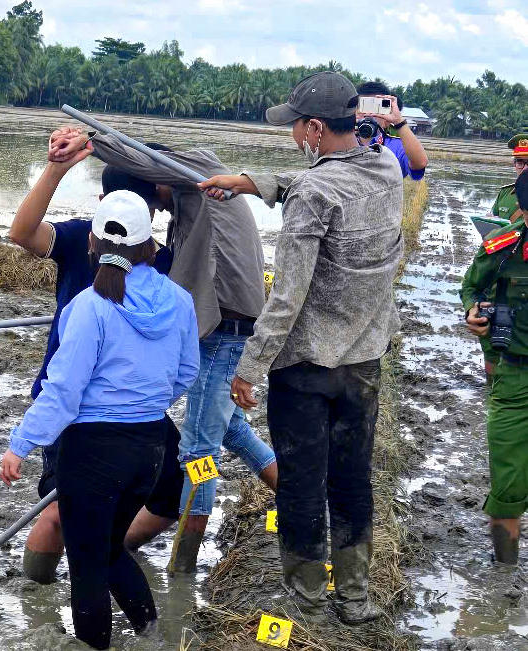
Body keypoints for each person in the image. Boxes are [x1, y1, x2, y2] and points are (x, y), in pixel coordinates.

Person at [200, 71, 403, 624]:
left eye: (295, 127)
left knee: (303, 482)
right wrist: (250, 181)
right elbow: (323, 179)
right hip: (364, 358)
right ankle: (354, 596)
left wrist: (249, 369)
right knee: (353, 477)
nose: (292, 136)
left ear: (315, 128)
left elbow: (287, 297)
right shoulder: (384, 166)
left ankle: (310, 601)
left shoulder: (313, 194)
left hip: (307, 366)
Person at [48, 127, 278, 573]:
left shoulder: (199, 174)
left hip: (226, 328)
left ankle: (184, 565)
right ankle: (296, 498)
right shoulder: (194, 198)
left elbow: (140, 159)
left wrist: (90, 143)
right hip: (225, 324)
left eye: (149, 204)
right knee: (229, 431)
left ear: (157, 183)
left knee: (198, 450)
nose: (152, 213)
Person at [0, 190, 200, 649]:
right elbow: (186, 371)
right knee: (109, 550)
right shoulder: (178, 299)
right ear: (151, 244)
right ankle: (152, 634)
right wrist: (145, 402)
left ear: (91, 241)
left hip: (92, 453)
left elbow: (64, 393)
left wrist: (20, 444)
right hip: (150, 445)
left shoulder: (89, 306)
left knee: (87, 566)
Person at [8, 136, 184, 584]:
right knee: (59, 514)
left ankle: (105, 551)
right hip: (73, 409)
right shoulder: (77, 237)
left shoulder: (161, 262)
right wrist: (55, 169)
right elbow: (22, 233)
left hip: (132, 415)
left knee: (167, 496)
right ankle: (37, 594)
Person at [460, 171, 528, 581]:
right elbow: (471, 287)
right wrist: (473, 311)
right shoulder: (503, 246)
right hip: (515, 377)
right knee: (507, 479)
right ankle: (505, 577)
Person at [472, 135, 528, 377]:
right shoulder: (505, 195)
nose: (523, 168)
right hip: (501, 278)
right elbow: (493, 226)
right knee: (494, 339)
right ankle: (493, 385)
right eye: (519, 162)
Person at [355, 81, 427, 180]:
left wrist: (399, 121)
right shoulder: (342, 140)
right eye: (364, 105)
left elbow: (420, 164)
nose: (368, 114)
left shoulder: (397, 145)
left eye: (375, 107)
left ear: (387, 110)